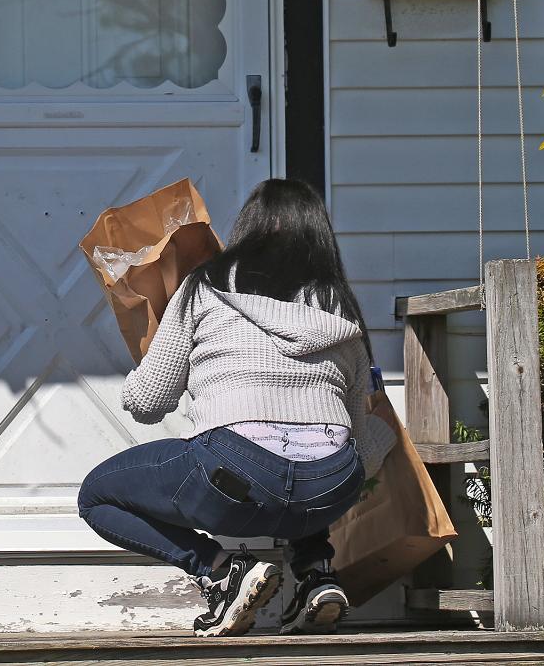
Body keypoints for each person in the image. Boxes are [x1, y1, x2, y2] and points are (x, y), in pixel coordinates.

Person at [77, 178, 396, 638]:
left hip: (237, 478)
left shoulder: (203, 288)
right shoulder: (339, 311)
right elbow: (363, 446)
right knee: (306, 454)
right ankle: (316, 575)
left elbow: (148, 403)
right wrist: (390, 438)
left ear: (245, 228)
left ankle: (221, 570)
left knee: (97, 496)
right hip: (330, 486)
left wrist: (152, 365)